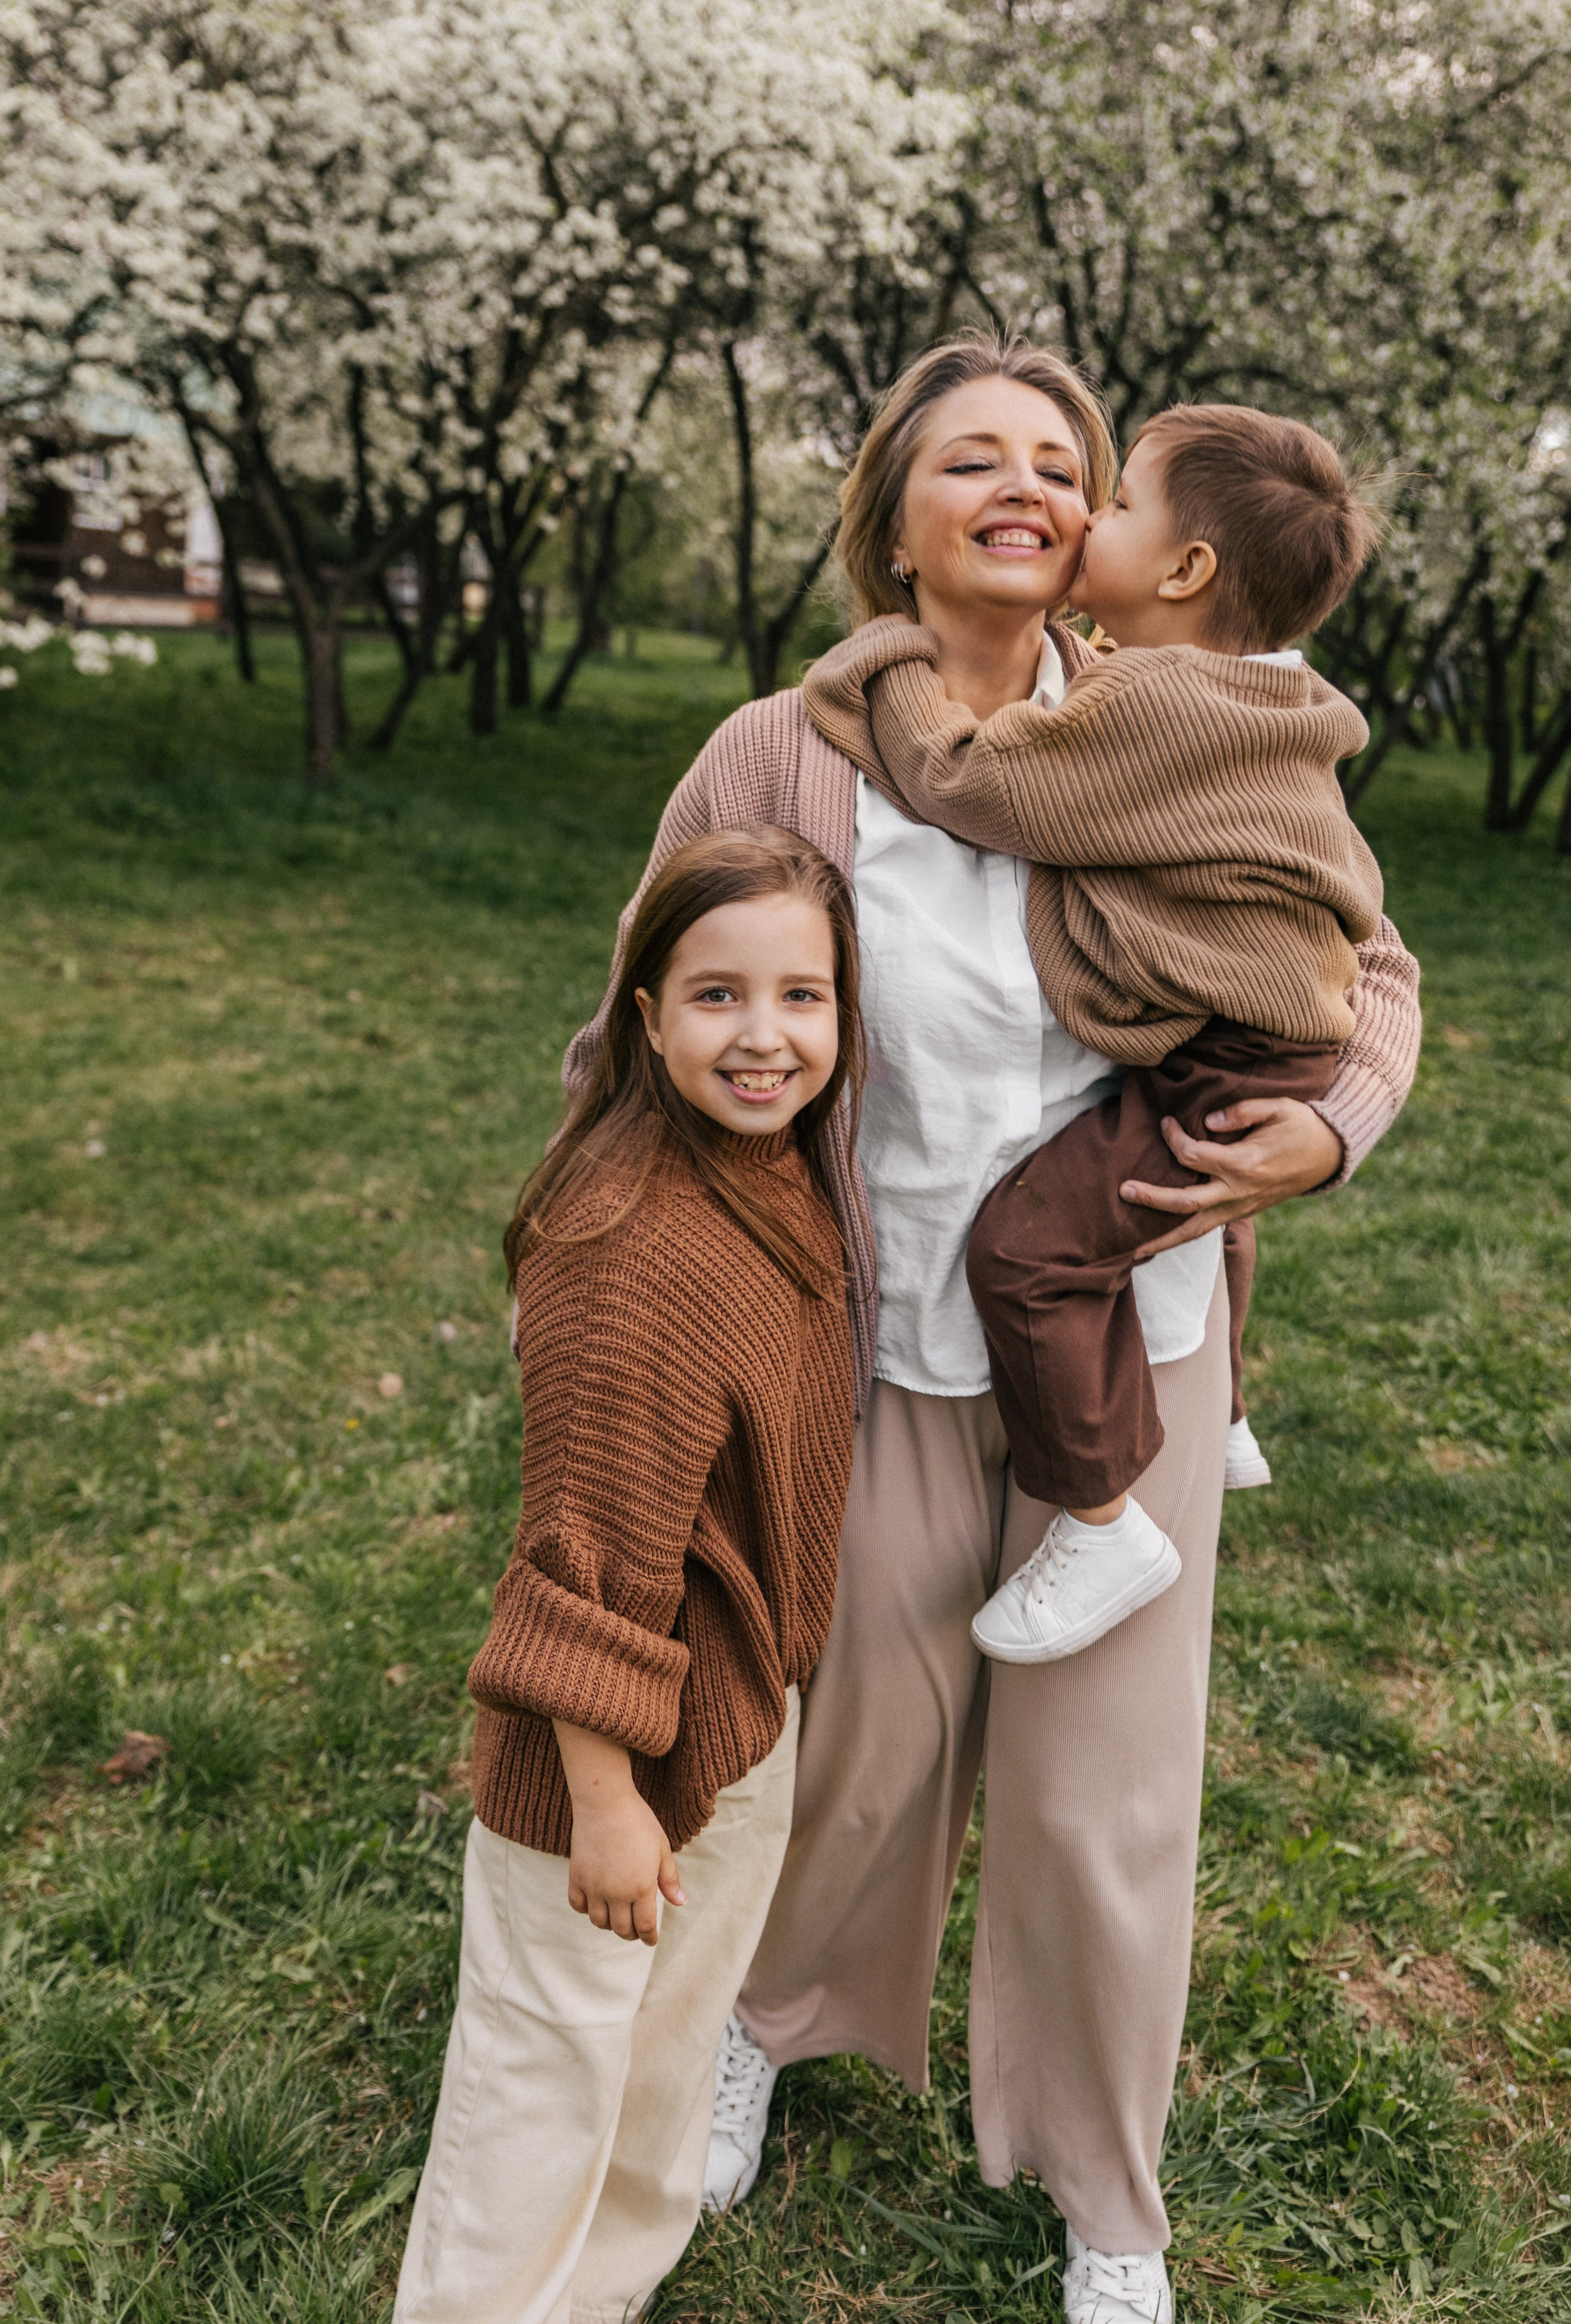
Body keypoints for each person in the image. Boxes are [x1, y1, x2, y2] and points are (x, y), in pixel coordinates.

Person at [563, 332, 1421, 2324]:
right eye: (976, 458)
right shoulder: (783, 751)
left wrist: (1337, 1121)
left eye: (1064, 459)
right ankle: (774, 2022)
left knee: (1101, 1797)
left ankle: (1110, 2194)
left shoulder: (1165, 723)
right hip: (868, 1337)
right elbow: (646, 1007)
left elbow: (1360, 953)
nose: (1028, 486)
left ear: (1122, 535)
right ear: (898, 516)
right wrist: (603, 1254)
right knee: (865, 1746)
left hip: (1134, 1345)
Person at [800, 402, 1387, 1668]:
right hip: (1254, 1042)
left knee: (1030, 1247)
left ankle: (1102, 1515)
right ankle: (1229, 1412)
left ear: (1184, 571)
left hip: (1233, 1061)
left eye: (1103, 495)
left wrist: (880, 670)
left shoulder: (1152, 707)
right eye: (974, 462)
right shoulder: (1265, 703)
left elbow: (966, 780)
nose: (1063, 506)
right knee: (1194, 1201)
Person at [392, 827, 864, 2324]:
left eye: (802, 995)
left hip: (733, 1710)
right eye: (718, 995)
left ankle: (603, 2287)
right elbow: (581, 1567)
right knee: (544, 2077)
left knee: (666, 2044)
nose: (765, 1036)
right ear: (646, 1016)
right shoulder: (625, 1244)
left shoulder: (769, 1174)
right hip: (603, 1767)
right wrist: (602, 1805)